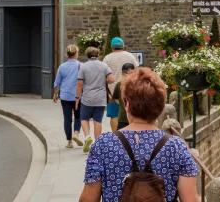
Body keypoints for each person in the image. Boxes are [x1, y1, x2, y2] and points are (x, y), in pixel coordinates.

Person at [80, 68, 200, 202]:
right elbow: (190, 199)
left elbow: (88, 198)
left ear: (127, 104)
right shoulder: (176, 146)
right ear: (160, 107)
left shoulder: (103, 144)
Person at [76, 46, 115, 153]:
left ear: (87, 55)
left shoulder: (83, 67)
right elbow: (112, 79)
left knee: (84, 118)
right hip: (100, 98)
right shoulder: (104, 66)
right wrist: (104, 81)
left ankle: (87, 136)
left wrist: (76, 98)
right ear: (98, 55)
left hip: (87, 97)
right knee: (98, 120)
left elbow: (80, 84)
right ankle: (97, 144)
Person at [102, 37, 139, 132]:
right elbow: (137, 70)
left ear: (112, 47)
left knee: (114, 115)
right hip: (129, 88)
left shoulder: (107, 58)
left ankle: (116, 136)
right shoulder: (130, 56)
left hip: (112, 90)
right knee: (130, 113)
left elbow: (103, 74)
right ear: (123, 46)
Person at [53, 45, 83, 148]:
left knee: (67, 118)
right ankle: (76, 134)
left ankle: (69, 142)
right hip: (77, 96)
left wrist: (55, 94)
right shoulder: (81, 65)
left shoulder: (62, 66)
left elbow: (57, 82)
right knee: (78, 116)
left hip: (65, 96)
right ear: (76, 54)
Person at [111, 62, 136, 130]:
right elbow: (116, 98)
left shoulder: (138, 85)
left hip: (134, 118)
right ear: (122, 73)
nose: (127, 75)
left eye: (129, 73)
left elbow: (116, 99)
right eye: (125, 73)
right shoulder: (119, 85)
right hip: (123, 118)